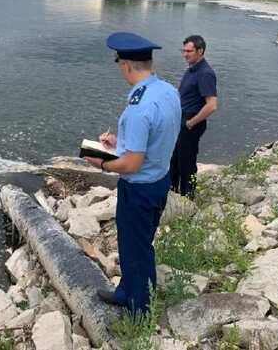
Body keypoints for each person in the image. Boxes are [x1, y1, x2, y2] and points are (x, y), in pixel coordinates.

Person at [84, 32, 181, 314]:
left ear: (125, 64)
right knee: (136, 244)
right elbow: (159, 135)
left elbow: (131, 165)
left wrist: (100, 163)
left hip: (139, 188)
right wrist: (120, 143)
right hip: (160, 179)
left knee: (136, 249)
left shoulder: (139, 108)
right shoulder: (167, 91)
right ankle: (126, 290)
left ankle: (139, 311)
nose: (119, 68)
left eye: (118, 63)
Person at [170, 35, 217, 199]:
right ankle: (172, 197)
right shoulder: (192, 69)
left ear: (200, 51)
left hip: (190, 123)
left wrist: (191, 123)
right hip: (181, 122)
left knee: (186, 165)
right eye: (183, 51)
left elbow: (211, 105)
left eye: (189, 51)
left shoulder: (205, 73)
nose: (185, 54)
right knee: (174, 162)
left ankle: (187, 200)